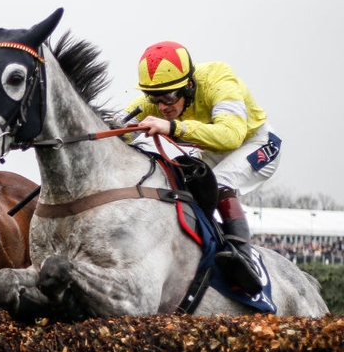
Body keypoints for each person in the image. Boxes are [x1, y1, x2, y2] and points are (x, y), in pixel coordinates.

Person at [119, 41, 282, 294]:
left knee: (219, 182)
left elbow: (231, 136)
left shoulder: (220, 81)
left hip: (256, 142)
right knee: (183, 184)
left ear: (190, 85)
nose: (163, 106)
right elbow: (119, 129)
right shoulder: (161, 98)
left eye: (171, 96)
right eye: (155, 98)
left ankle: (244, 256)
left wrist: (173, 128)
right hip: (213, 150)